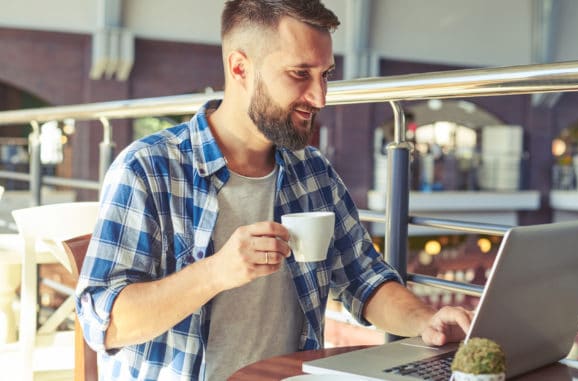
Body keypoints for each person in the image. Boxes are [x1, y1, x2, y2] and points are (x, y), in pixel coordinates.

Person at [75, 1, 473, 379]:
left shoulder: (312, 171)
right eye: (300, 74)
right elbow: (103, 323)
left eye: (326, 75)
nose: (320, 97)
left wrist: (426, 321)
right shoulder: (148, 168)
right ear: (240, 68)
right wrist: (215, 272)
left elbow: (365, 279)